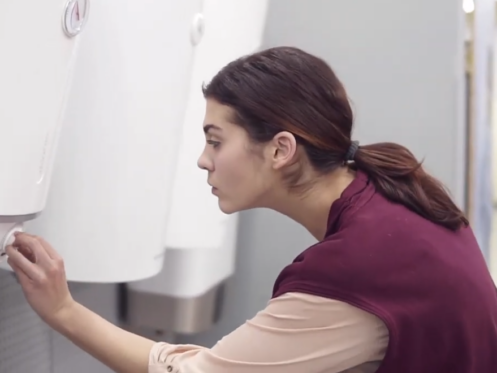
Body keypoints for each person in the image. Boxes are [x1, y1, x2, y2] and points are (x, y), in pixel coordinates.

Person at [5, 46, 497, 373]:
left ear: (281, 150)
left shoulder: (356, 265)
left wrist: (65, 311)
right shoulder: (389, 193)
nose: (203, 160)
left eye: (215, 141)